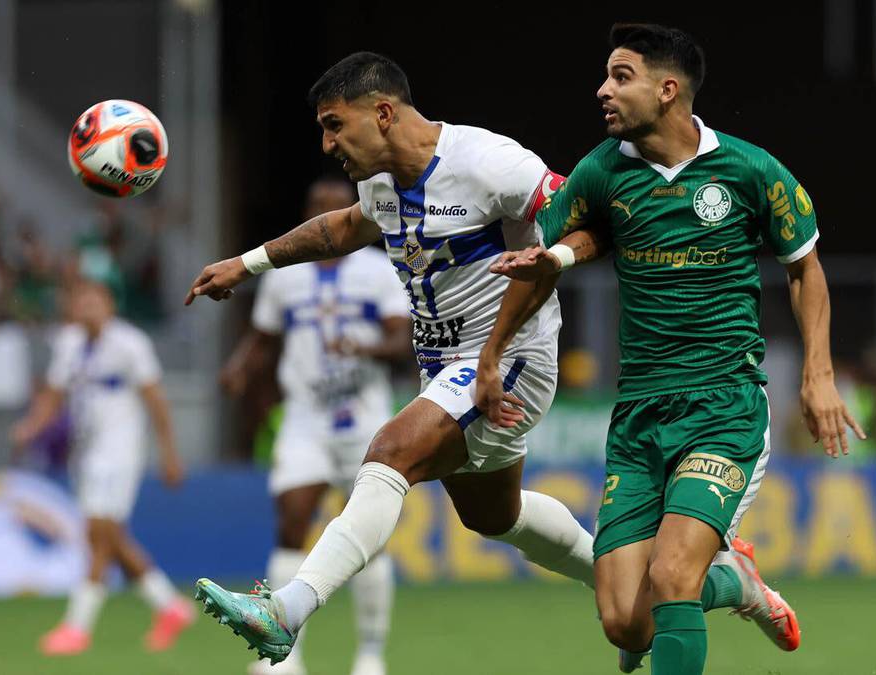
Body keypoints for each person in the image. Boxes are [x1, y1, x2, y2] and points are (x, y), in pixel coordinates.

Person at [184, 52, 597, 665]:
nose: (327, 144)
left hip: (506, 359)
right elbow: (343, 229)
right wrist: (247, 264)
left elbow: (587, 220)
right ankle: (629, 577)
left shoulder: (490, 163)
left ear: (382, 112)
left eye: (333, 124)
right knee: (495, 516)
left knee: (388, 454)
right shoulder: (379, 181)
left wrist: (555, 259)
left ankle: (287, 610)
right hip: (448, 369)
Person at [484, 24, 866, 674]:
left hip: (724, 406)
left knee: (673, 574)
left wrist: (819, 375)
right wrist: (493, 353)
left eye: (620, 76)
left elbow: (805, 266)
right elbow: (552, 255)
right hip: (639, 415)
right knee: (624, 623)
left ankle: (711, 577)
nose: (603, 90)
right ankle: (738, 583)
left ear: (668, 90)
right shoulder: (600, 172)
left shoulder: (748, 169)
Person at [220, 177, 411, 675]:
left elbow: (401, 341)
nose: (324, 215)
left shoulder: (377, 271)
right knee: (290, 524)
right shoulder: (285, 276)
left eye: (333, 207)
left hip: (366, 419)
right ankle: (286, 657)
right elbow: (263, 338)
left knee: (370, 537)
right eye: (315, 207)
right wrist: (240, 368)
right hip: (305, 417)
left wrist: (365, 347)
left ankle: (370, 654)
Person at [11, 280, 191, 655]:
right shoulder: (69, 344)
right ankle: (170, 606)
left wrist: (169, 454)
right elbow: (54, 395)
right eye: (82, 301)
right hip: (88, 455)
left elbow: (156, 400)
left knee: (98, 533)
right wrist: (31, 426)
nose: (89, 308)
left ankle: (77, 628)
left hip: (121, 452)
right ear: (73, 307)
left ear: (110, 305)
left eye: (96, 301)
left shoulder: (130, 344)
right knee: (108, 537)